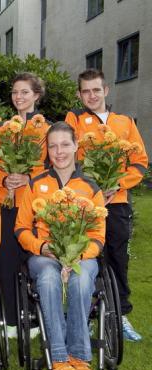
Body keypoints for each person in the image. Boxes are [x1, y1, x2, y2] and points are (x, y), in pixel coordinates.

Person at [15, 121, 105, 370]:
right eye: (53, 146)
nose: (59, 151)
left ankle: (79, 355)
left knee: (82, 278)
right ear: (47, 150)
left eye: (65, 144)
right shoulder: (36, 184)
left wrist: (78, 256)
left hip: (82, 256)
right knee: (48, 279)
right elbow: (21, 228)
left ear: (76, 146)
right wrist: (41, 246)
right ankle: (58, 356)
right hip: (45, 256)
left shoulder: (91, 187)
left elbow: (98, 237)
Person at [65, 69, 148, 342]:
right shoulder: (74, 119)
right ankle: (89, 314)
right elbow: (67, 156)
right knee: (87, 257)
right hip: (86, 202)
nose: (91, 95)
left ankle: (120, 314)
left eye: (96, 90)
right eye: (86, 91)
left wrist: (118, 184)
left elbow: (139, 161)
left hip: (117, 202)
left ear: (106, 91)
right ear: (79, 94)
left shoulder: (125, 122)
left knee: (117, 258)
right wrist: (92, 187)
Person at [0, 72, 51, 338]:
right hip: (6, 203)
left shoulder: (47, 130)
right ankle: (11, 319)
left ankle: (34, 317)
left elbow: (53, 166)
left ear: (36, 95)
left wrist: (29, 178)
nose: (19, 97)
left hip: (34, 205)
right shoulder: (2, 129)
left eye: (25, 92)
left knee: (33, 260)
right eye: (15, 92)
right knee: (5, 260)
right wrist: (5, 179)